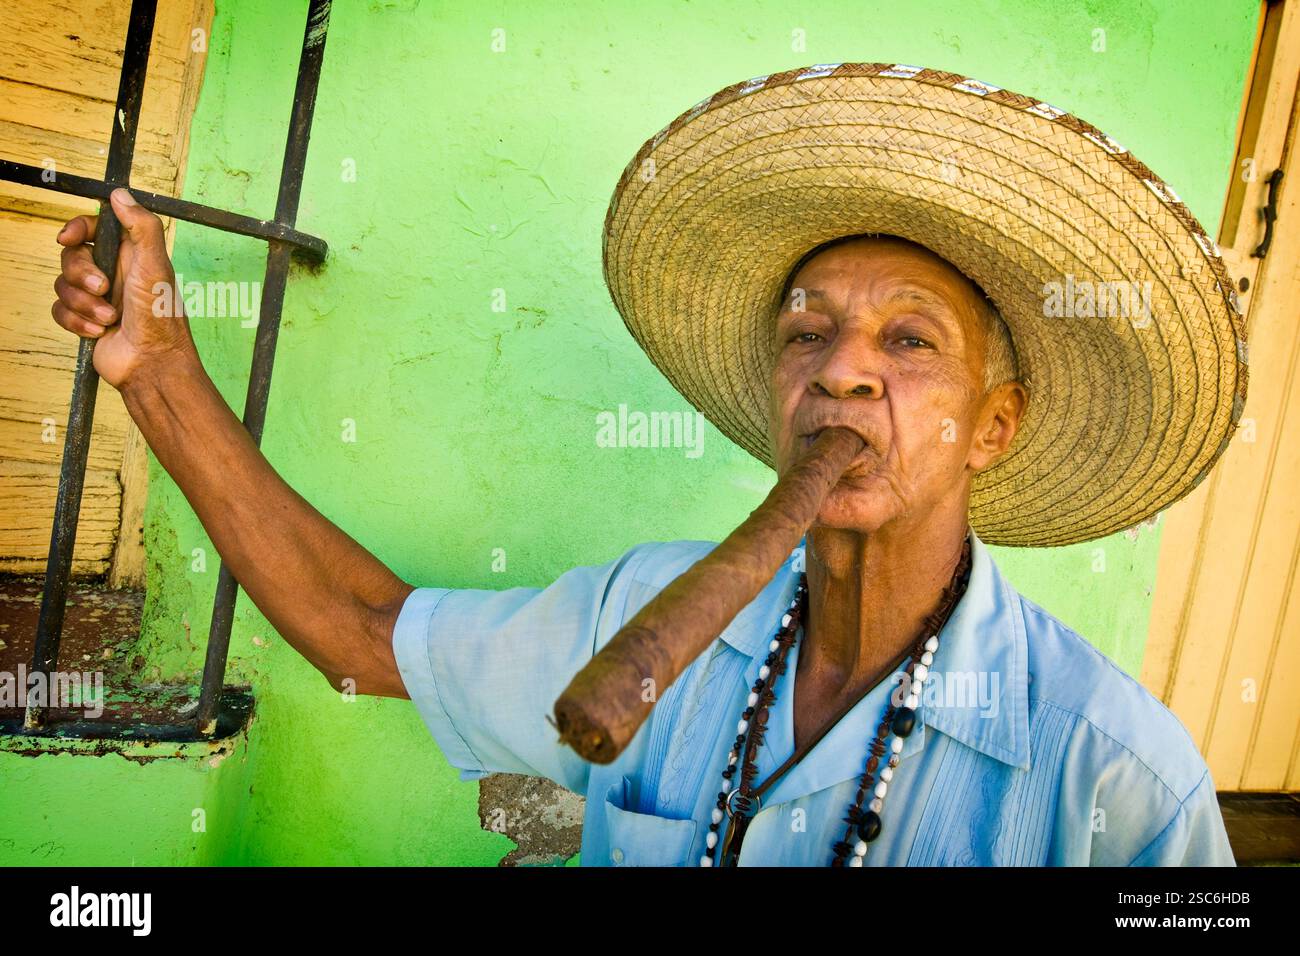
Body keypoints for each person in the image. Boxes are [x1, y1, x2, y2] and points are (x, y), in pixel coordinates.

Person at [49, 63, 1245, 866]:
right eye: (805, 331)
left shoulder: (1118, 774)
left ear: (992, 426)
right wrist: (157, 368)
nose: (839, 371)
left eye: (910, 340)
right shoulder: (639, 613)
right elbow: (363, 629)